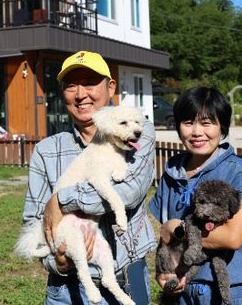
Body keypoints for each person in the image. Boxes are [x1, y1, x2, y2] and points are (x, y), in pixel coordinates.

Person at [22, 50, 157, 304]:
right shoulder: (46, 150)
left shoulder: (139, 132)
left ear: (111, 86)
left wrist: (60, 200)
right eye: (71, 85)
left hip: (127, 281)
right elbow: (34, 220)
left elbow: (128, 192)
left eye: (89, 82)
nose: (80, 94)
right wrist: (58, 262)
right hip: (66, 290)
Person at [149, 87, 242, 304]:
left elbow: (232, 237)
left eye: (207, 123)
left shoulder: (237, 172)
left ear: (222, 126)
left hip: (228, 290)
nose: (197, 132)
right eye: (188, 122)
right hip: (182, 290)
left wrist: (178, 230)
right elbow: (165, 237)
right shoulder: (172, 172)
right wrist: (164, 271)